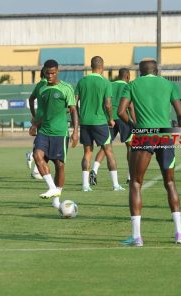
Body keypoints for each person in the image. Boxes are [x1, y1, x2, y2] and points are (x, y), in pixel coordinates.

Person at [118, 59, 181, 246]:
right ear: (156, 71)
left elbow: (120, 112)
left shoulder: (132, 85)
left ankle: (137, 237)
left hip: (144, 133)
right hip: (166, 134)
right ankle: (179, 233)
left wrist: (134, 125)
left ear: (139, 72)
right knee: (170, 182)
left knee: (135, 183)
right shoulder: (169, 85)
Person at [30, 60, 78, 208]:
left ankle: (56, 200)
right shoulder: (41, 86)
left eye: (53, 73)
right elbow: (31, 99)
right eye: (47, 73)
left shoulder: (66, 88)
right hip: (43, 131)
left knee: (60, 165)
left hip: (60, 132)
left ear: (57, 72)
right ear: (44, 71)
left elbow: (74, 110)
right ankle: (51, 188)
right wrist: (35, 121)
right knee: (37, 156)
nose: (50, 76)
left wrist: (75, 131)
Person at [75, 56, 124, 192]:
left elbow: (74, 103)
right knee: (109, 152)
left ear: (91, 66)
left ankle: (85, 185)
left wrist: (79, 117)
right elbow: (108, 105)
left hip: (85, 122)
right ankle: (115, 185)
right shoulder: (106, 83)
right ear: (102, 67)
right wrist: (111, 119)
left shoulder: (82, 81)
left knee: (87, 153)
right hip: (100, 121)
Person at [89, 68, 136, 186]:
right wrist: (135, 122)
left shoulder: (109, 84)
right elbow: (130, 106)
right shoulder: (129, 86)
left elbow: (105, 102)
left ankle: (94, 170)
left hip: (109, 119)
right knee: (130, 146)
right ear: (128, 76)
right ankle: (130, 176)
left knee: (105, 147)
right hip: (123, 117)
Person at [26, 67, 48, 180]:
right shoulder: (47, 85)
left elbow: (31, 99)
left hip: (40, 116)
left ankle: (35, 169)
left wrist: (34, 115)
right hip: (46, 118)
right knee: (46, 143)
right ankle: (32, 157)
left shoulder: (39, 84)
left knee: (43, 141)